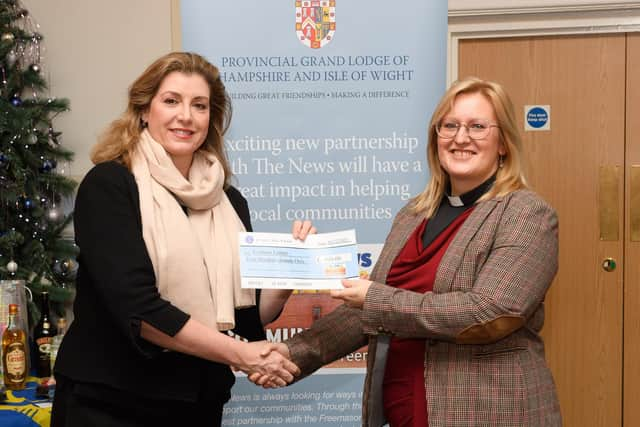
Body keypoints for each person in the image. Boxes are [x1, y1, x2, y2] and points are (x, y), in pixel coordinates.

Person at [254, 77, 562, 426]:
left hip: (484, 409)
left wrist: (374, 298)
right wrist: (292, 354)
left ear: (503, 142)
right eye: (450, 126)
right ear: (436, 138)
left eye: (477, 126)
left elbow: (489, 312)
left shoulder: (524, 213)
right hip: (405, 403)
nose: (461, 138)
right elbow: (367, 311)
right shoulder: (413, 215)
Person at [51, 52, 309, 427]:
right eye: (171, 101)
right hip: (110, 403)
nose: (185, 116)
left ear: (211, 118)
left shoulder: (229, 201)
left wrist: (287, 278)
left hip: (198, 403)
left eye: (199, 105)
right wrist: (242, 354)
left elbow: (246, 314)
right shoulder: (109, 186)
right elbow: (139, 310)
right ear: (143, 110)